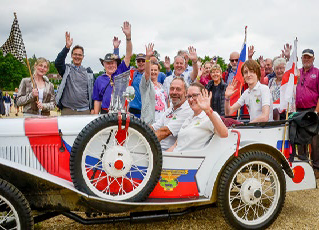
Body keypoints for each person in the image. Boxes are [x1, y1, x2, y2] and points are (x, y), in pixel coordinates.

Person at [167, 83, 228, 152]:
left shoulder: (209, 116)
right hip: (175, 157)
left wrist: (208, 110)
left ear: (204, 95)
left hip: (190, 159)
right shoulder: (189, 119)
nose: (191, 99)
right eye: (189, 96)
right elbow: (176, 145)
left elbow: (224, 134)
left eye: (194, 95)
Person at [92, 21, 132, 114]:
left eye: (113, 63)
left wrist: (128, 38)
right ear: (104, 65)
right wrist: (95, 116)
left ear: (116, 64)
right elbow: (97, 100)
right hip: (105, 112)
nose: (110, 65)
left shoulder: (121, 72)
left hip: (120, 112)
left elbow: (128, 55)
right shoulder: (99, 80)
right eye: (108, 63)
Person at [55, 32, 94, 115]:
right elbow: (58, 63)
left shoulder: (88, 73)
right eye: (75, 54)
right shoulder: (66, 69)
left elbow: (93, 92)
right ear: (71, 55)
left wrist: (92, 108)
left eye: (80, 55)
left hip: (85, 110)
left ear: (83, 57)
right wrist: (67, 48)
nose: (77, 57)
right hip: (68, 110)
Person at [295, 48, 319, 179]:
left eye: (309, 57)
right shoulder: (297, 73)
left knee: (314, 140)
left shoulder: (317, 73)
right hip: (298, 111)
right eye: (304, 57)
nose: (306, 59)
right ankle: (303, 167)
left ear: (313, 59)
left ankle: (316, 168)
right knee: (300, 140)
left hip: (312, 109)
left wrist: (316, 111)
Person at [152, 77, 193, 151]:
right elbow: (155, 127)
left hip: (170, 153)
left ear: (186, 93)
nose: (174, 92)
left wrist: (145, 141)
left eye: (178, 89)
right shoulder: (171, 107)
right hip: (159, 149)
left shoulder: (187, 109)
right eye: (172, 89)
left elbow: (165, 132)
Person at [140, 43, 169, 124]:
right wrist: (148, 58)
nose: (153, 72)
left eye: (155, 70)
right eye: (151, 70)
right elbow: (147, 74)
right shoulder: (146, 85)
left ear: (159, 71)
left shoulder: (161, 85)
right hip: (151, 121)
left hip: (163, 120)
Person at [128, 53, 146, 117]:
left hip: (146, 111)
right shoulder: (132, 74)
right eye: (138, 61)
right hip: (133, 111)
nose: (141, 63)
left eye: (143, 61)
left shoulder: (151, 75)